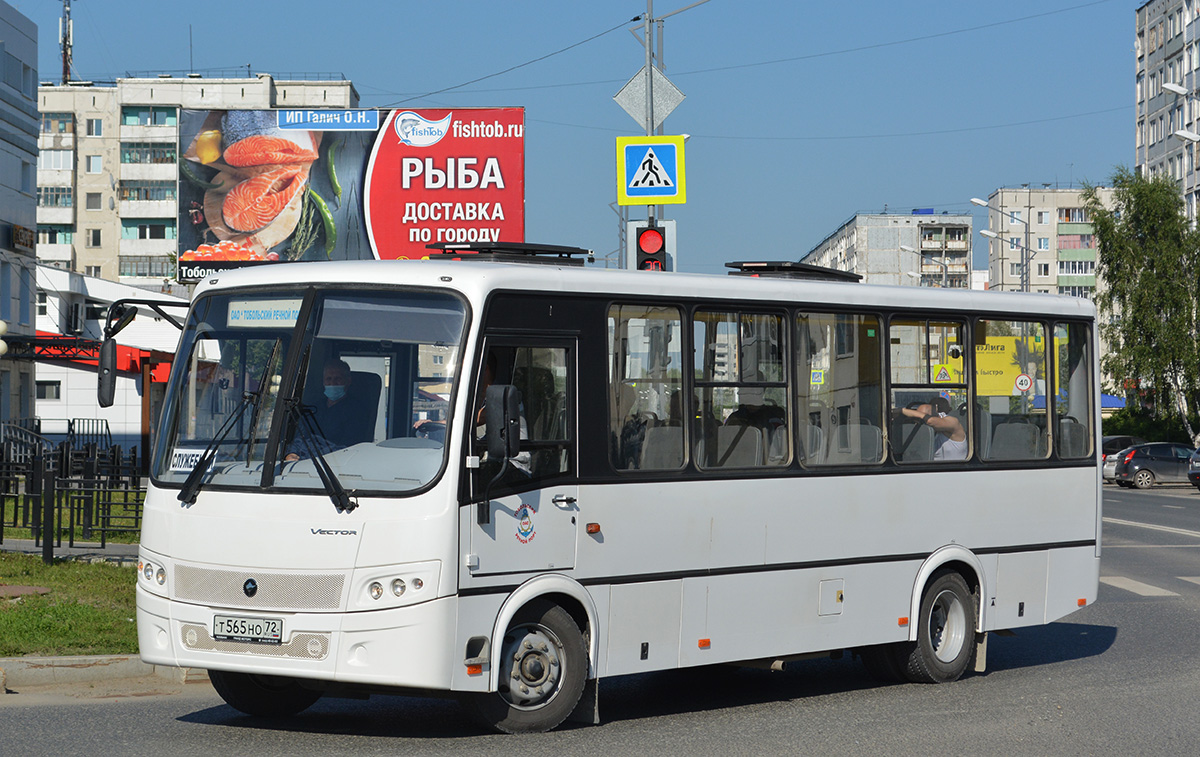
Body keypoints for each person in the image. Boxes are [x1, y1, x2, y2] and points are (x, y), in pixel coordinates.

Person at [285, 358, 371, 460]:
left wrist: (312, 455)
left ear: (348, 381)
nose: (332, 383)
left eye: (337, 378)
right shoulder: (314, 408)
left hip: (337, 465)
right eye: (328, 379)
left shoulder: (357, 412)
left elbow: (348, 448)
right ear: (323, 382)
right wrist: (291, 453)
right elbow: (300, 437)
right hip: (305, 464)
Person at [901, 396, 968, 460]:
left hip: (955, 470)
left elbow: (930, 421)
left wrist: (903, 411)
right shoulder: (926, 434)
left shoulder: (953, 422)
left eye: (921, 420)